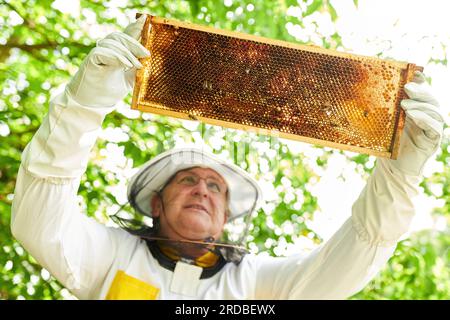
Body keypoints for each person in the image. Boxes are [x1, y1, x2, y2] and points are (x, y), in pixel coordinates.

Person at [11, 15, 444, 300]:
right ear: (156, 203)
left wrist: (399, 175)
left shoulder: (256, 283)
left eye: (215, 187)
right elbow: (37, 223)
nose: (202, 189)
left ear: (225, 218)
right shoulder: (109, 255)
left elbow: (355, 256)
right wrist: (83, 104)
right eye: (187, 180)